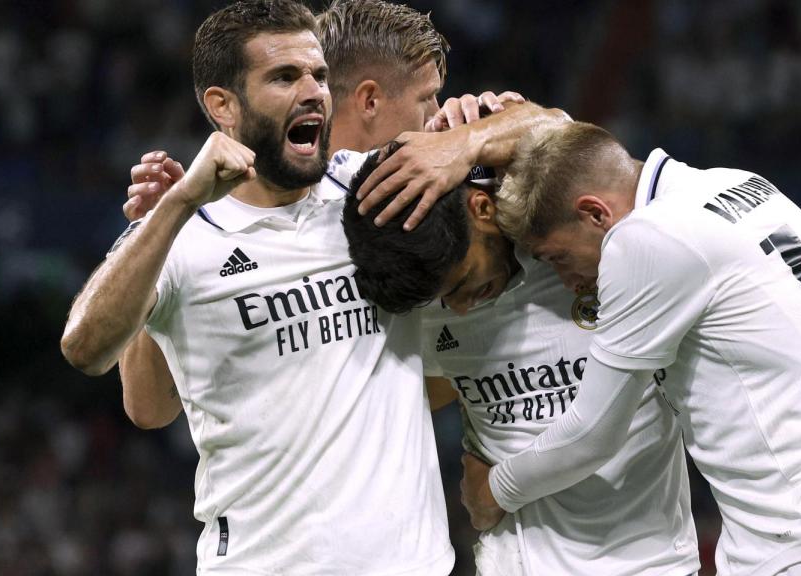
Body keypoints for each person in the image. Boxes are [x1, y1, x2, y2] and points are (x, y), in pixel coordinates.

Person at [60, 0, 562, 572]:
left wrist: (470, 140)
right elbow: (98, 360)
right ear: (222, 105)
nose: (313, 91)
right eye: (284, 76)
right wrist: (169, 214)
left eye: (319, 74)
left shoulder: (373, 191)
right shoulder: (187, 230)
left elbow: (557, 132)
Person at [342, 142, 801, 575]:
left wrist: (492, 492)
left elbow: (592, 433)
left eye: (558, 258)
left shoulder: (649, 241)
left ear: (595, 215)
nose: (571, 278)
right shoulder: (735, 187)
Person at [118, 0, 525, 429]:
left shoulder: (416, 197)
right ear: (369, 100)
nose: (437, 113)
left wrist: (480, 138)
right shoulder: (215, 218)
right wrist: (160, 235)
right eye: (427, 98)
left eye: (319, 77)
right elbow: (148, 408)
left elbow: (558, 135)